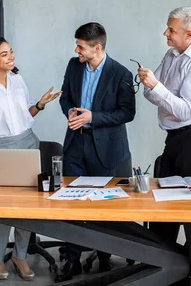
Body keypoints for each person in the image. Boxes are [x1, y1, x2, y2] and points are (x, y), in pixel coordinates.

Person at [0, 34, 61, 281]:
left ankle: (20, 255)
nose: (11, 57)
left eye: (11, 51)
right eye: (5, 54)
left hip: (29, 142)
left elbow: (26, 114)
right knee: (4, 209)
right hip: (2, 149)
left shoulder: (17, 79)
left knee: (29, 208)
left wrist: (39, 105)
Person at [56, 22, 136, 283]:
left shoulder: (121, 73)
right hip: (75, 145)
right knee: (72, 203)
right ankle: (72, 260)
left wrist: (93, 117)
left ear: (97, 48)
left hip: (106, 147)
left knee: (103, 206)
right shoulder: (73, 65)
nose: (76, 50)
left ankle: (105, 255)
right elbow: (65, 97)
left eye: (81, 46)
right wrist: (70, 110)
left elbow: (127, 113)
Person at [138, 6, 191, 244]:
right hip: (174, 136)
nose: (165, 33)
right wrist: (154, 87)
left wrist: (156, 86)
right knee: (165, 199)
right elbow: (149, 95)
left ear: (190, 34)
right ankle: (164, 263)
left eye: (171, 30)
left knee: (189, 204)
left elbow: (185, 111)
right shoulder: (171, 55)